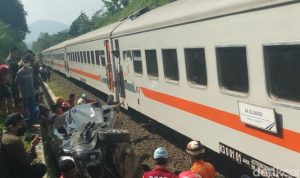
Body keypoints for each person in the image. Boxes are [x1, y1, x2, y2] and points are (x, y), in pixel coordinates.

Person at [1, 113, 47, 178]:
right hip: (11, 174)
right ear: (11, 127)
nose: (25, 125)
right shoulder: (14, 140)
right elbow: (25, 162)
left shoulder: (4, 136)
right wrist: (33, 146)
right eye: (21, 124)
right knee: (41, 167)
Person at [15, 56, 37, 125]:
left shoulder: (31, 69)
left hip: (32, 92)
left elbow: (32, 80)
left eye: (28, 62)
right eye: (25, 62)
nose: (27, 63)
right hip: (25, 94)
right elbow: (17, 83)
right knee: (26, 109)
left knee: (33, 107)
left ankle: (34, 121)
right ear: (23, 63)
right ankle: (28, 123)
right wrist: (20, 94)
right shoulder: (20, 72)